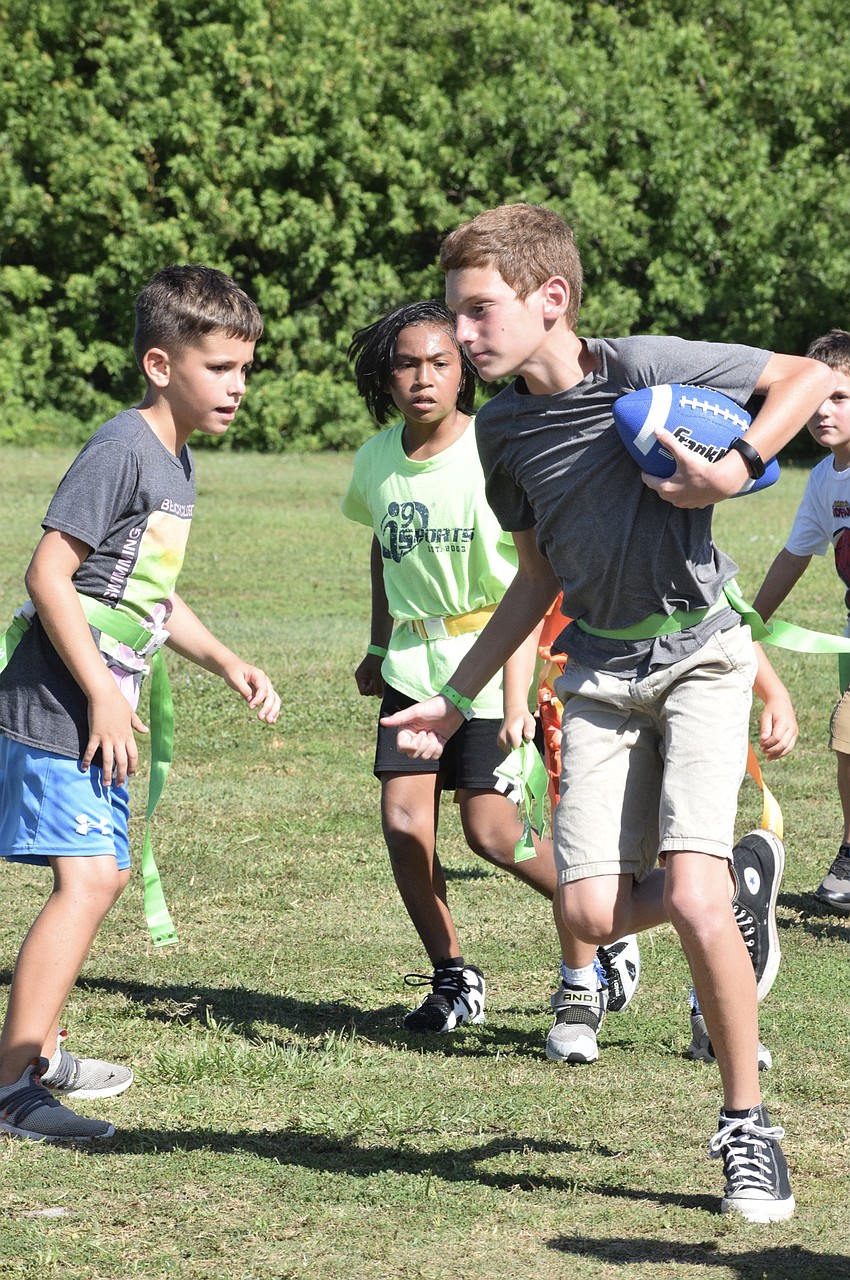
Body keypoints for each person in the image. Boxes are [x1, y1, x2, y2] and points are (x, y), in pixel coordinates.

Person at [381, 204, 834, 1222]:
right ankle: (735, 879)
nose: (462, 336)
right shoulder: (500, 430)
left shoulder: (638, 368)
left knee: (692, 890)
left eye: (479, 311)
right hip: (592, 673)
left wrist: (741, 464)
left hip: (702, 656)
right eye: (454, 314)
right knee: (585, 913)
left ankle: (745, 1126)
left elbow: (803, 380)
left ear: (551, 300)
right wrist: (454, 700)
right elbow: (533, 574)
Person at [0, 265, 281, 1142]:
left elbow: (144, 593)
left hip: (97, 700)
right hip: (59, 699)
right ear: (161, 364)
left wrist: (225, 660)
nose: (238, 386)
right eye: (220, 368)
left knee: (99, 875)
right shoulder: (124, 447)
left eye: (245, 368)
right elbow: (49, 571)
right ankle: (14, 1087)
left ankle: (37, 1048)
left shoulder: (176, 460)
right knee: (89, 879)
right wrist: (100, 700)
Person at [342, 299, 639, 1061]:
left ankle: (608, 931)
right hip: (415, 669)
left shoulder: (490, 447)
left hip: (488, 660)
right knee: (406, 827)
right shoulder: (375, 459)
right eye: (407, 363)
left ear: (464, 368)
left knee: (493, 833)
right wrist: (379, 646)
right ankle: (453, 979)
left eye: (440, 362)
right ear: (388, 374)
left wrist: (513, 702)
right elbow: (384, 551)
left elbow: (526, 586)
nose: (422, 378)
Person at [753, 328, 850, 915]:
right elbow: (795, 555)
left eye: (839, 397)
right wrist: (750, 621)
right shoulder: (823, 479)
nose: (822, 412)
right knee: (847, 735)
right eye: (813, 399)